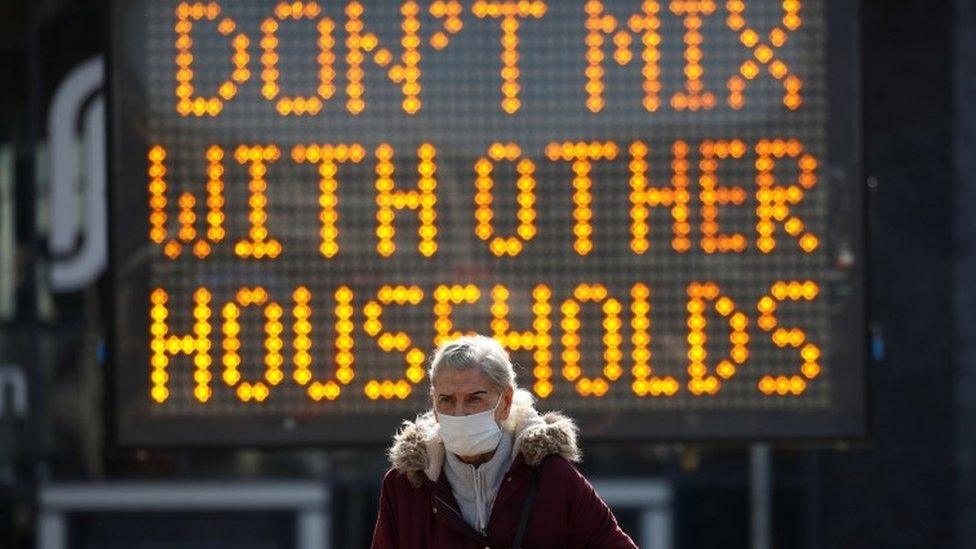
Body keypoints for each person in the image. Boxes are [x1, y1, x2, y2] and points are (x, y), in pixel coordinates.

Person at [370, 334, 638, 548]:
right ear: (433, 402)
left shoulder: (553, 479)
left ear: (505, 401)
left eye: (475, 398)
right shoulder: (405, 487)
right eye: (447, 400)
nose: (459, 413)